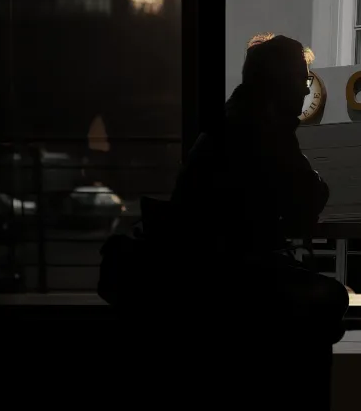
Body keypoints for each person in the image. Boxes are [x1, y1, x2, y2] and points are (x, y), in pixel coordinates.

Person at [102, 33, 347, 341]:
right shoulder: (264, 131)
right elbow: (308, 199)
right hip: (225, 282)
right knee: (331, 300)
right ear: (280, 82)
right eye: (302, 79)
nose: (305, 89)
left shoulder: (230, 123)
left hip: (199, 280)